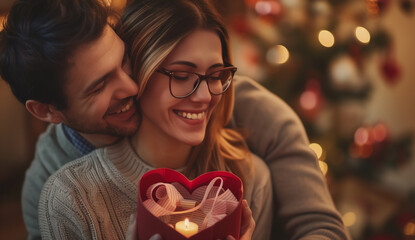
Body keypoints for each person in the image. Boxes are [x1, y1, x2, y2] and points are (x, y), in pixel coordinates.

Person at [0, 0, 350, 239]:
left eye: (123, 62)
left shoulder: (251, 144)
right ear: (48, 111)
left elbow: (319, 223)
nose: (130, 84)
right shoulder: (57, 190)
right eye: (99, 86)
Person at [39, 0, 272, 239]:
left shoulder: (250, 181)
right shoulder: (72, 197)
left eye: (215, 75)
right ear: (138, 72)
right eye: (181, 75)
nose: (205, 97)